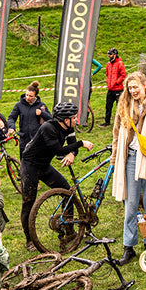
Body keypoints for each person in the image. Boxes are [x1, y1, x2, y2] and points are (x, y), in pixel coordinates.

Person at [18, 101, 92, 251]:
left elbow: (70, 146)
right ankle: (29, 240)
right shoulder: (48, 128)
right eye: (74, 117)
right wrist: (80, 144)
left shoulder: (69, 128)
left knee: (67, 192)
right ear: (66, 120)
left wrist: (72, 153)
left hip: (44, 165)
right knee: (28, 202)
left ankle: (70, 231)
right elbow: (58, 150)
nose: (76, 119)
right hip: (30, 165)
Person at [109, 71, 146, 266]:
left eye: (136, 87)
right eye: (129, 88)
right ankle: (128, 246)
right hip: (130, 158)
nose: (133, 91)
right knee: (131, 205)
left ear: (145, 86)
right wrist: (115, 157)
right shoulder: (124, 104)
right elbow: (116, 133)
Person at [5, 81, 50, 159]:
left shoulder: (41, 106)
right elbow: (11, 117)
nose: (28, 98)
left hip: (37, 139)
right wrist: (11, 127)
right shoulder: (19, 105)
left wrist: (42, 113)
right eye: (27, 95)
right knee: (24, 161)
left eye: (31, 96)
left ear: (35, 96)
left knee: (36, 161)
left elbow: (51, 119)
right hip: (24, 138)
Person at [103, 47, 127, 127]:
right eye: (108, 54)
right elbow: (107, 74)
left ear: (115, 55)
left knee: (120, 107)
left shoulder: (120, 63)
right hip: (110, 89)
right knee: (108, 106)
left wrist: (117, 82)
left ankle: (121, 123)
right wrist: (108, 82)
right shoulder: (108, 64)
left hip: (118, 89)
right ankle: (107, 122)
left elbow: (123, 75)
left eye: (110, 54)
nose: (109, 56)